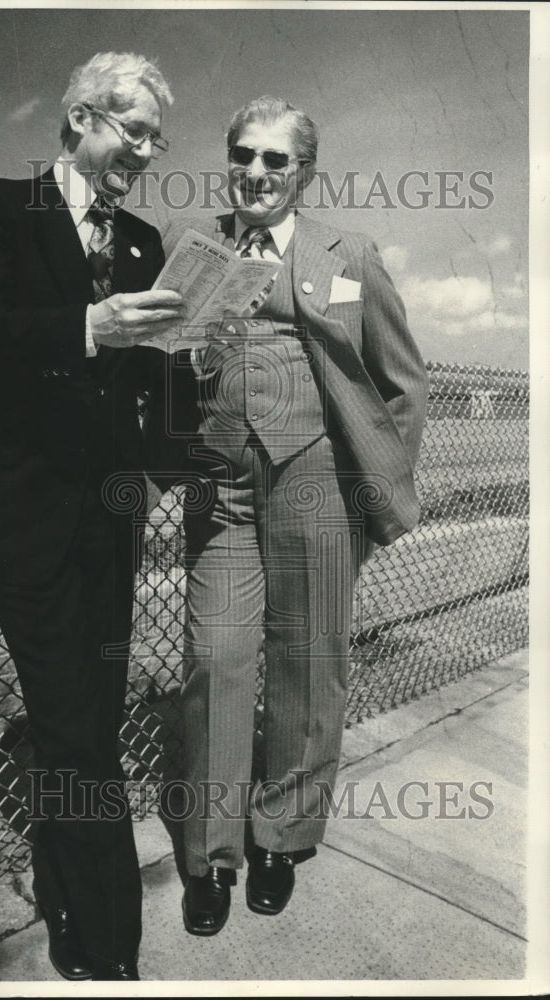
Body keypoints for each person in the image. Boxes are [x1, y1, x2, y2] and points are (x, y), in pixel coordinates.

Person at [0, 52, 183, 981]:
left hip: (106, 512)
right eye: (134, 132)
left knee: (82, 714)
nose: (148, 153)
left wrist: (187, 400)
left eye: (158, 140)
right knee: (78, 723)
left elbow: (155, 383)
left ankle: (69, 900)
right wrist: (88, 328)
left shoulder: (145, 243)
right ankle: (112, 946)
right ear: (82, 116)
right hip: (20, 507)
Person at [163, 96, 429, 936]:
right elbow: (158, 367)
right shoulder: (194, 250)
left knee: (308, 666)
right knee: (217, 659)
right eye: (245, 154)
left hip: (316, 482)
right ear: (228, 159)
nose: (258, 172)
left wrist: (373, 486)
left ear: (304, 172)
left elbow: (402, 383)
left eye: (278, 160)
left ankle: (281, 835)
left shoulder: (348, 256)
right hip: (221, 486)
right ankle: (210, 856)